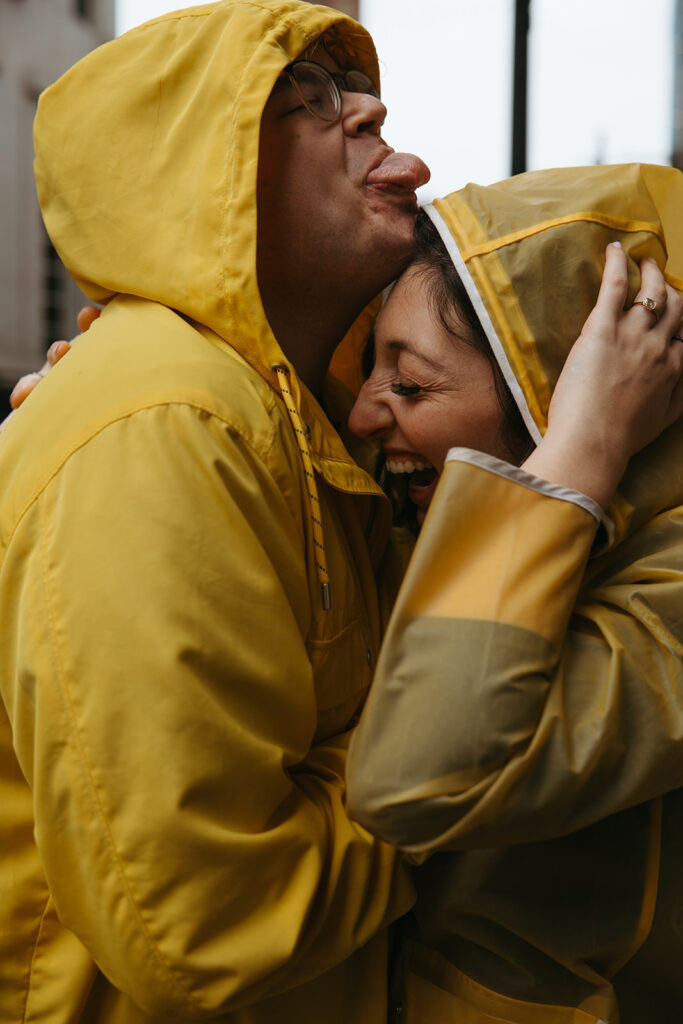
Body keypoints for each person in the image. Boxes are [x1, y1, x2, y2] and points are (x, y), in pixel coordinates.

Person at [0, 4, 678, 1023]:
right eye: (305, 97)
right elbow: (209, 923)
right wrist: (133, 419)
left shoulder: (284, 425)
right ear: (205, 170)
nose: (372, 111)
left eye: (406, 380)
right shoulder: (169, 417)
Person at [345, 163, 683, 1023]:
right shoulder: (420, 518)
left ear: (558, 394)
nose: (363, 417)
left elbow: (416, 780)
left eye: (410, 385)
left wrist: (583, 447)